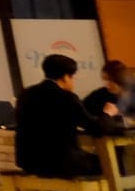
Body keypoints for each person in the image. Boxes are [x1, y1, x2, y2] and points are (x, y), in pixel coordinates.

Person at [15, 52, 104, 180]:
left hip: (29, 161)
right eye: (73, 77)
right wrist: (108, 114)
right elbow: (97, 129)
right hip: (61, 161)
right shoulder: (67, 97)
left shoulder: (25, 94)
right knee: (105, 163)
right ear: (65, 77)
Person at [85, 59, 129, 134]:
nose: (107, 85)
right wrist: (106, 115)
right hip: (105, 136)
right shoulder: (98, 95)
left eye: (110, 80)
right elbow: (84, 117)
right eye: (105, 80)